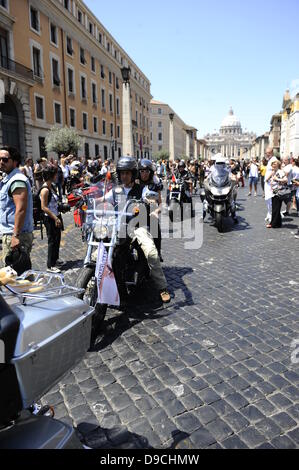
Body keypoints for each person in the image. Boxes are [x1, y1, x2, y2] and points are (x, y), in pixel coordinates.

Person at [101, 156, 171, 304]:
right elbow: (102, 200)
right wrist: (87, 199)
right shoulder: (116, 190)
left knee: (151, 252)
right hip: (118, 228)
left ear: (133, 174)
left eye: (127, 173)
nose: (124, 176)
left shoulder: (142, 189)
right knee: (100, 252)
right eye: (122, 173)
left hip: (137, 227)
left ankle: (162, 287)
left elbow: (151, 199)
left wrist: (151, 205)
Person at [0, 146, 33, 271]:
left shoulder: (16, 180)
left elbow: (21, 209)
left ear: (14, 161)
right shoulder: (8, 179)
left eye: (4, 159)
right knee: (21, 274)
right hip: (12, 233)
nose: (1, 162)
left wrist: (15, 236)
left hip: (16, 234)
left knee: (13, 277)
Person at [138, 159, 164, 262]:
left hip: (150, 214)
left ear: (151, 172)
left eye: (147, 171)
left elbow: (161, 203)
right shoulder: (134, 184)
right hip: (135, 214)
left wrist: (156, 211)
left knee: (155, 228)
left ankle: (158, 252)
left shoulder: (154, 185)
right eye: (142, 171)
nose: (144, 174)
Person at [40, 165, 63, 273]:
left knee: (57, 239)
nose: (57, 175)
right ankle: (50, 265)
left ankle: (55, 259)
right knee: (52, 241)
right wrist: (55, 218)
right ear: (51, 175)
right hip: (50, 219)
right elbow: (43, 207)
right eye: (56, 174)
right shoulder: (45, 190)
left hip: (56, 216)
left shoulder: (51, 187)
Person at [265, 160, 288, 229]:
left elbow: (286, 180)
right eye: (272, 164)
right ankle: (278, 223)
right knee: (276, 208)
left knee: (275, 208)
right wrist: (271, 176)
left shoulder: (280, 172)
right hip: (274, 191)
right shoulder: (274, 172)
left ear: (278, 165)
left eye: (275, 164)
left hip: (278, 191)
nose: (273, 165)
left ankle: (273, 223)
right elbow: (266, 180)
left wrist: (277, 179)